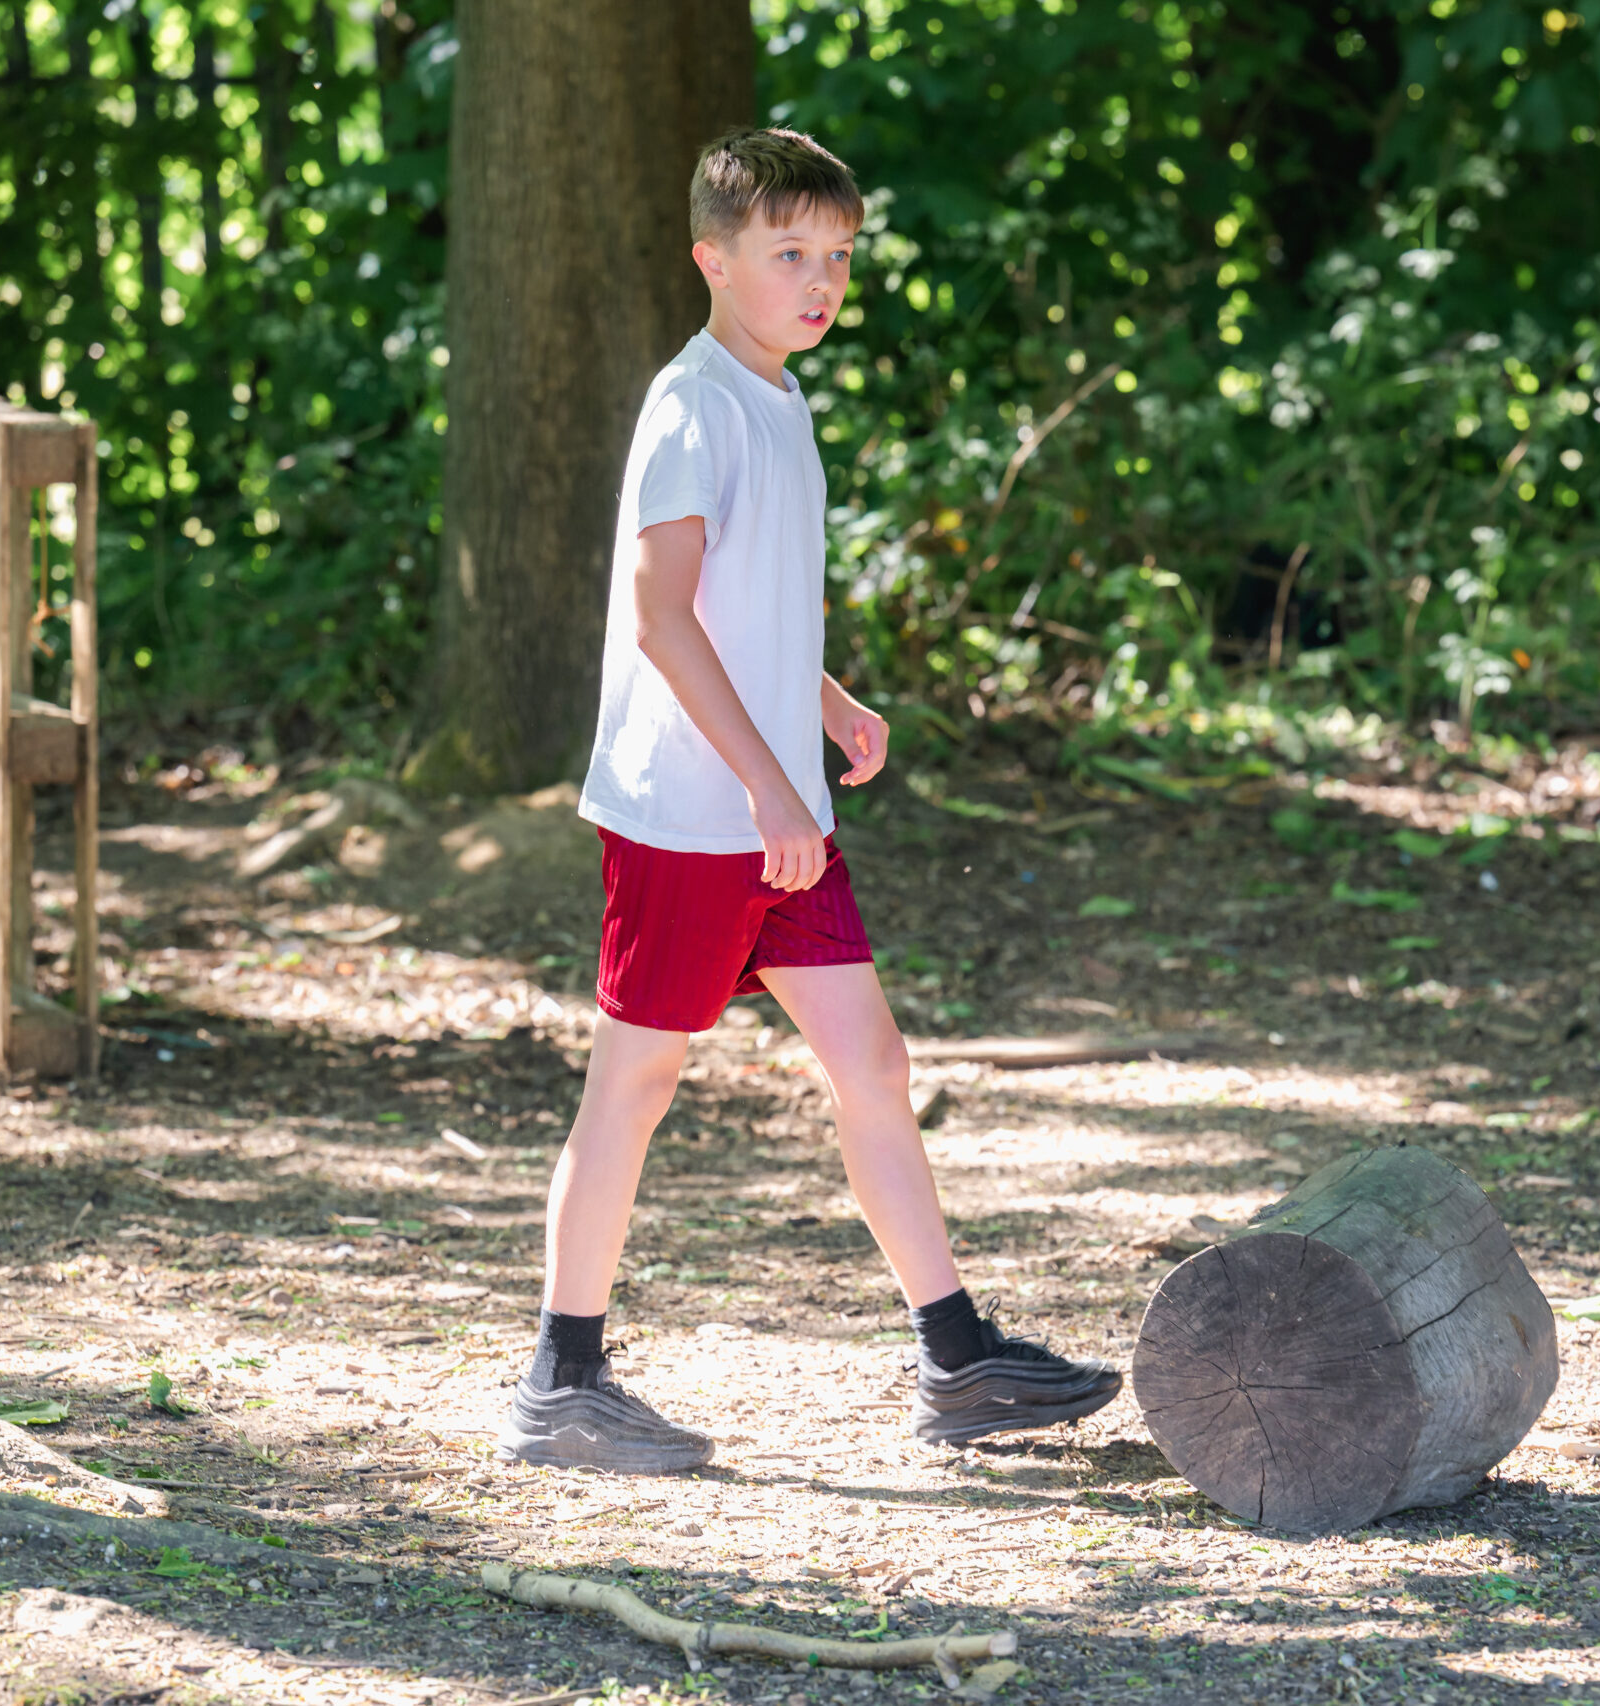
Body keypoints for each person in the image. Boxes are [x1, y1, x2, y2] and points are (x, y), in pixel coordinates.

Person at [496, 128, 1120, 1474]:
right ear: (712, 260)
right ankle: (562, 1377)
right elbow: (662, 618)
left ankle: (956, 1355)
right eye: (789, 253)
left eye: (837, 254)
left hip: (780, 822)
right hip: (692, 816)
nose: (820, 278)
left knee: (874, 1066)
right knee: (636, 1082)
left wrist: (824, 703)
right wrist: (773, 781)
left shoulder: (778, 398)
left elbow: (743, 604)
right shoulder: (693, 404)